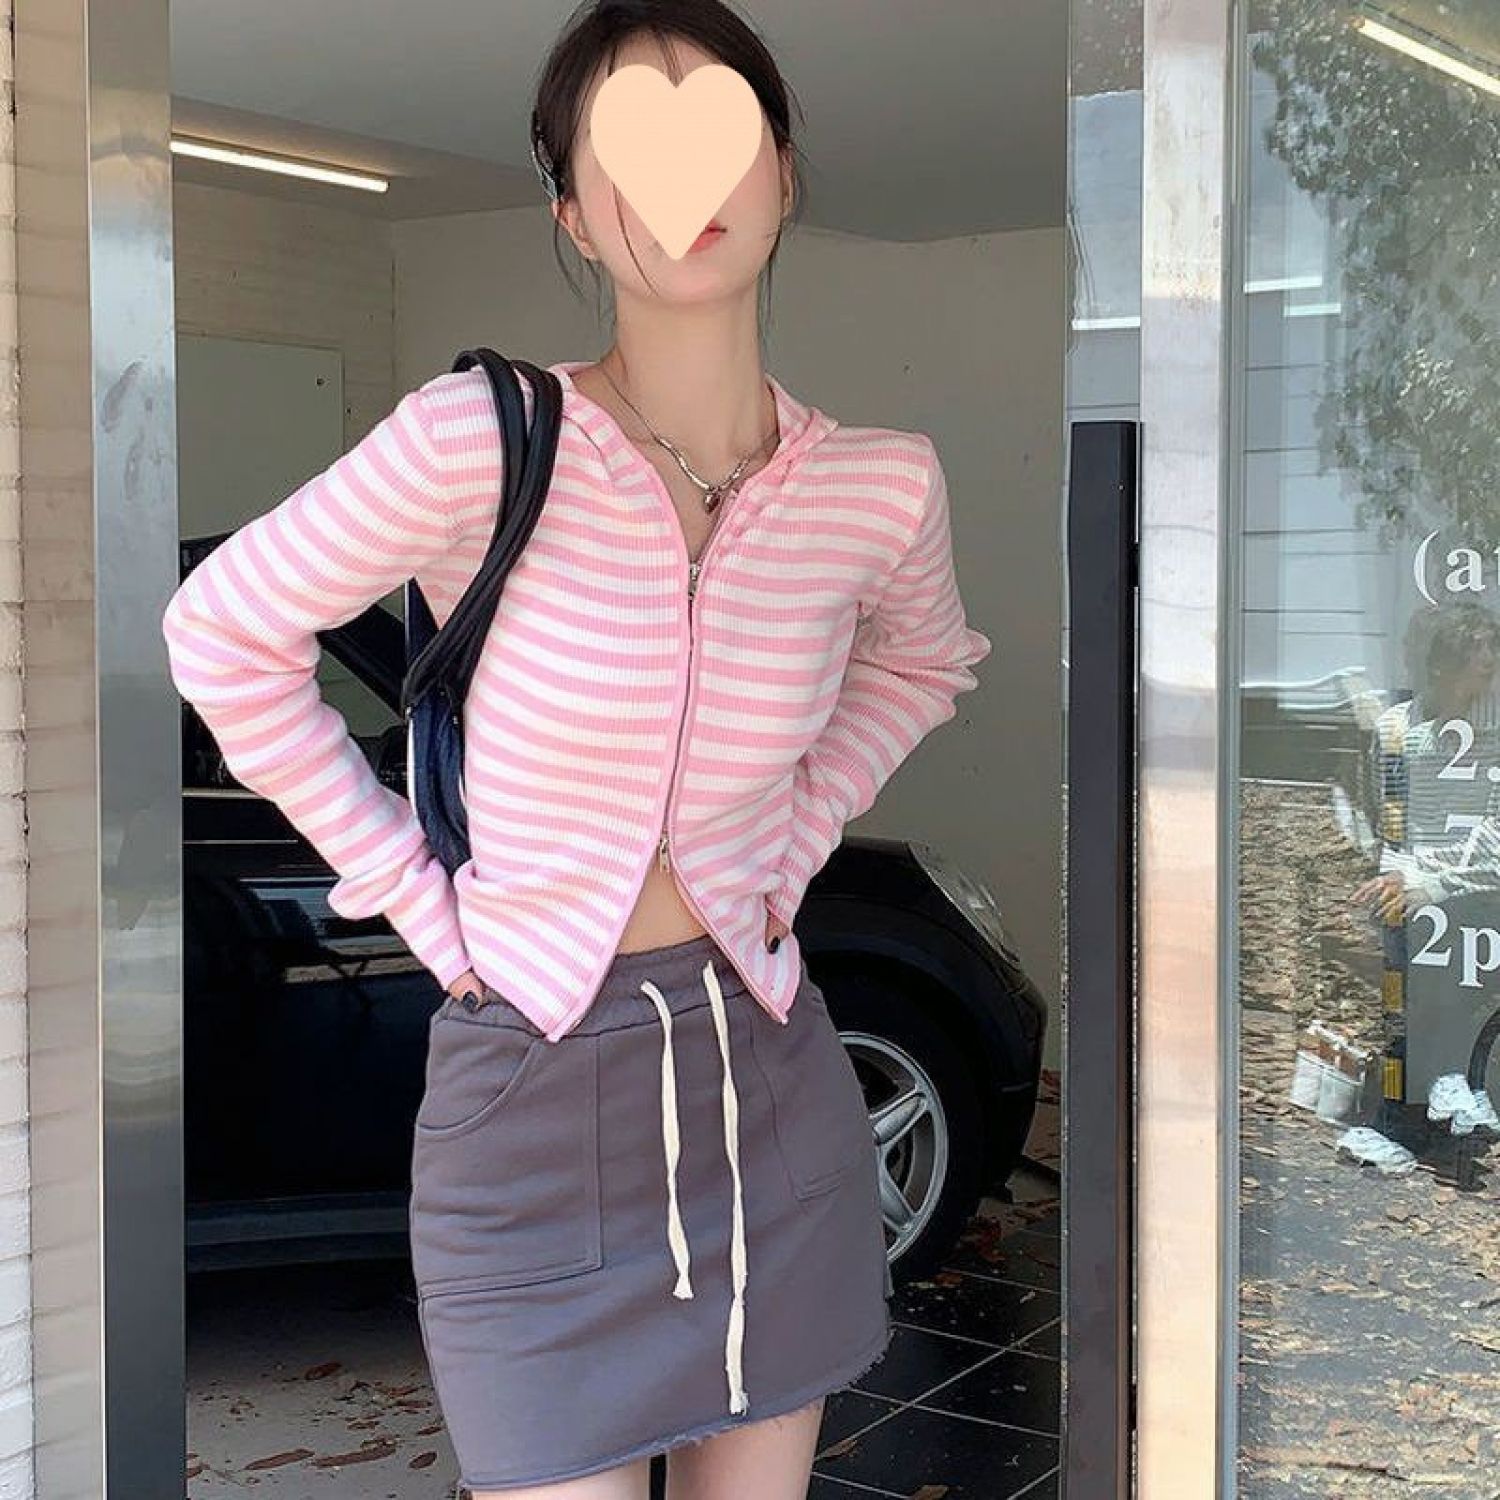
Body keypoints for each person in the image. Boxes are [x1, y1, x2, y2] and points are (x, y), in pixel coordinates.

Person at [160, 3, 992, 1497]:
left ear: (782, 170)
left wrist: (799, 832)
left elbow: (928, 660)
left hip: (767, 1086)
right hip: (530, 1106)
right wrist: (418, 902)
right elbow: (222, 631)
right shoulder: (479, 443)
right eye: (628, 144)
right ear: (576, 213)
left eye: (719, 126)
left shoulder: (878, 489)